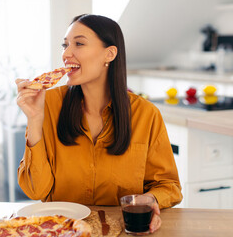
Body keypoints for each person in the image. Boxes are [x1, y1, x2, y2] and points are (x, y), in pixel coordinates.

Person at [15, 14, 182, 233]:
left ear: (109, 54)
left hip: (121, 231)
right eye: (65, 45)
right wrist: (35, 120)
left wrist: (149, 200)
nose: (66, 54)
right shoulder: (48, 104)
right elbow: (36, 190)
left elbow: (169, 187)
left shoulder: (145, 114)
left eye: (79, 44)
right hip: (62, 230)